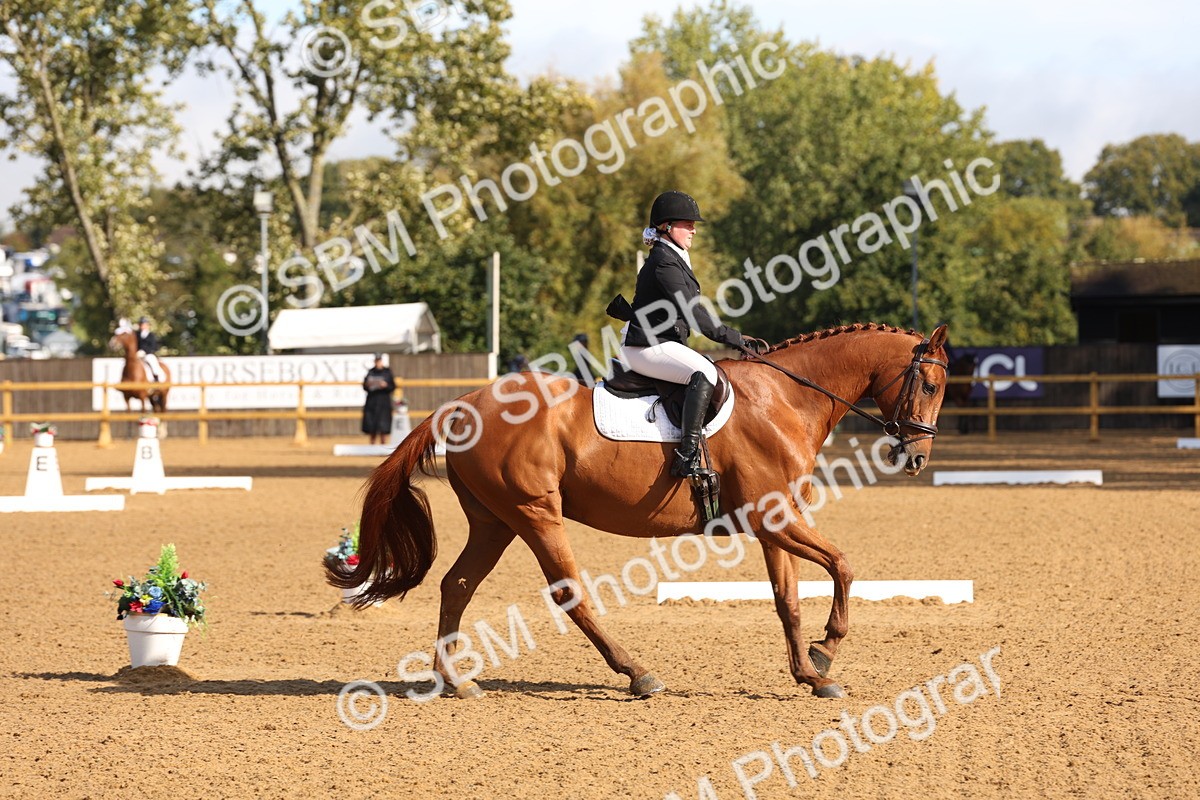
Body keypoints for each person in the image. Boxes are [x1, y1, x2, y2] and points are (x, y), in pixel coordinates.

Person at [618, 190, 757, 479]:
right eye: (686, 223)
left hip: (659, 343)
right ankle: (687, 455)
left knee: (705, 366)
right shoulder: (664, 262)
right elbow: (694, 313)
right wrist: (735, 338)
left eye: (693, 224)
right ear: (666, 227)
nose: (693, 229)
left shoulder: (674, 256)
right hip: (645, 347)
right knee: (705, 373)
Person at [361, 354, 396, 444]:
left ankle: (383, 445)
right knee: (372, 425)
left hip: (384, 402)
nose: (378, 362)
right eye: (376, 361)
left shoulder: (387, 372)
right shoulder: (370, 372)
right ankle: (372, 445)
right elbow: (364, 386)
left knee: (383, 426)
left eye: (379, 360)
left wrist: (386, 385)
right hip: (372, 401)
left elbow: (393, 386)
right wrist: (368, 385)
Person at [136, 317, 166, 382]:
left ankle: (156, 377)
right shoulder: (137, 335)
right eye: (141, 324)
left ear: (147, 325)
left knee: (152, 361)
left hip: (148, 354)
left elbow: (153, 346)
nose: (142, 326)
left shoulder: (151, 335)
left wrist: (145, 352)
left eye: (144, 324)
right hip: (138, 354)